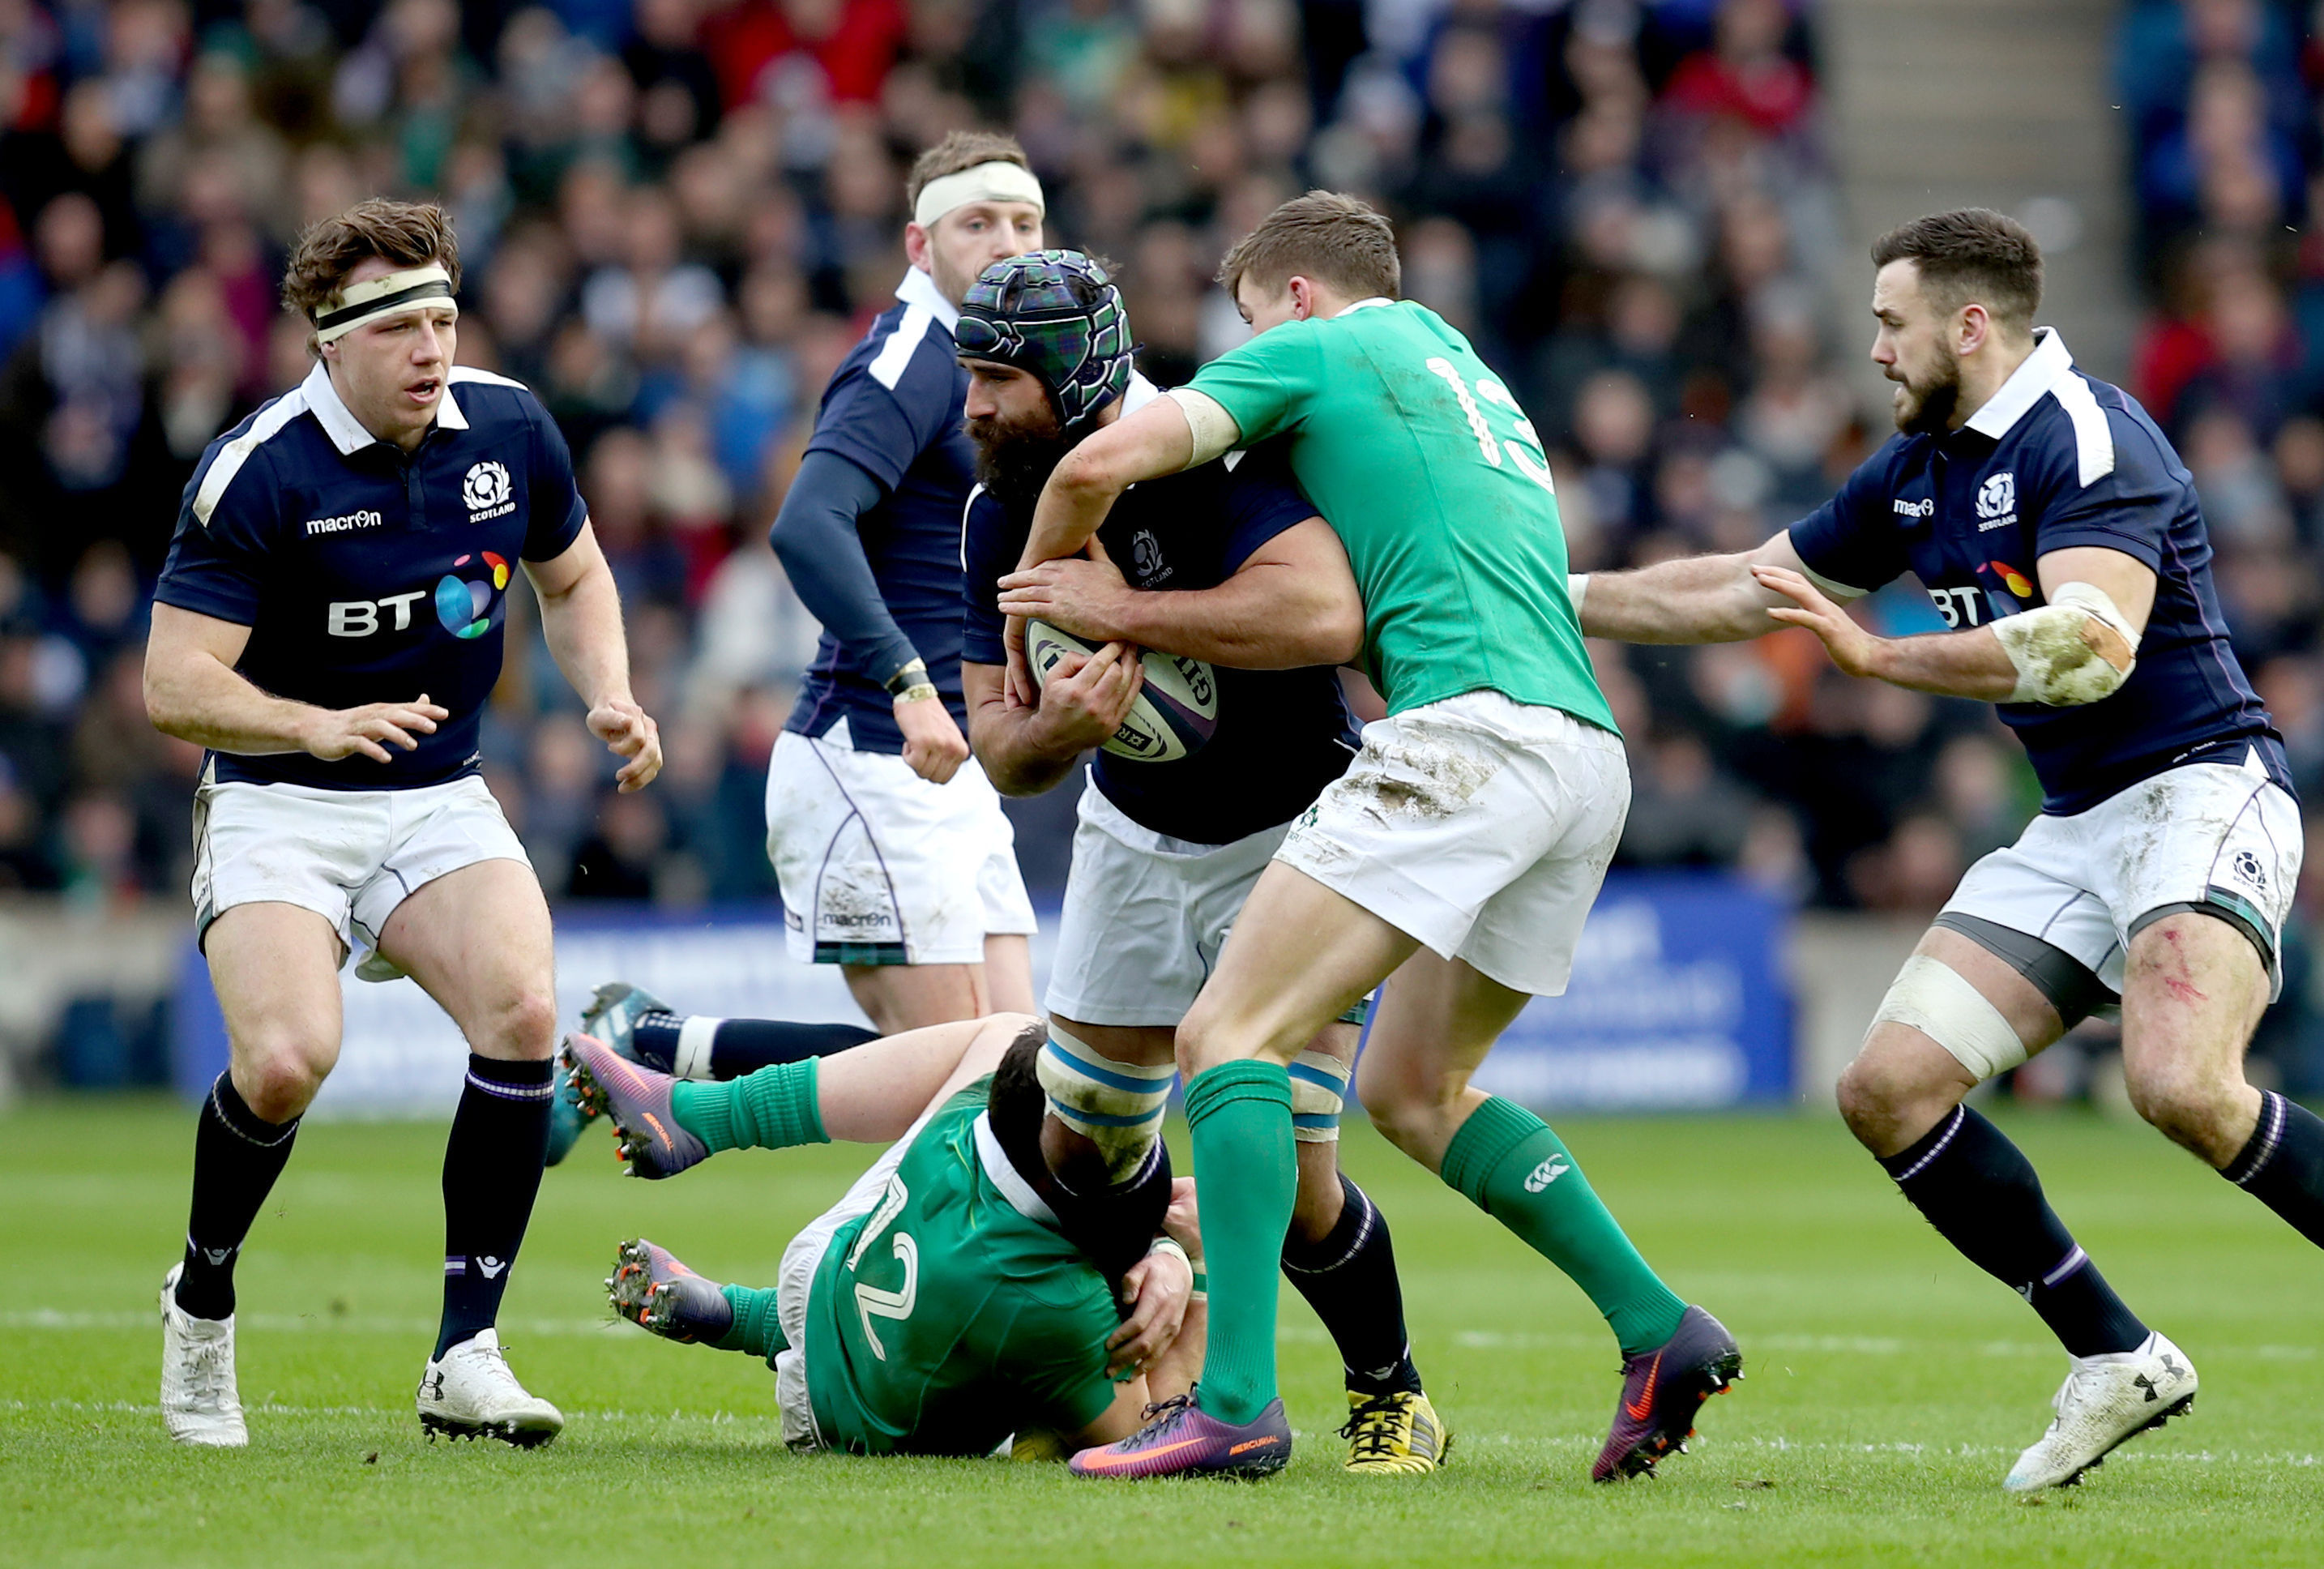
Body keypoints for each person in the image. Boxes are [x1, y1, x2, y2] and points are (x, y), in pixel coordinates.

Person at [1006, 193, 1739, 1481]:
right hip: (1580, 753)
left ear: (1293, 296)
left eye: (1246, 321)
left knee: (1225, 1037)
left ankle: (1234, 1403)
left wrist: (1056, 605)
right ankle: (1658, 1327)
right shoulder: (1479, 387)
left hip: (1466, 741)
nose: (1243, 353)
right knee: (1414, 1092)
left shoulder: (1325, 348)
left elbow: (1087, 466)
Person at [1572, 207, 2307, 1490]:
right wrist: (1547, 599)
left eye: (1890, 324)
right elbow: (1754, 587)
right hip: (2079, 824)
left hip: (2202, 790)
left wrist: (1877, 656)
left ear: (1971, 326)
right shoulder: (1917, 469)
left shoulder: (2084, 433)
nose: (1875, 350)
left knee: (2183, 1086)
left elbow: (2093, 642)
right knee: (1888, 1089)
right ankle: (2114, 1356)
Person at [145, 199, 662, 1447]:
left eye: (443, 316)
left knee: (525, 1009)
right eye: (400, 327)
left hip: (435, 793)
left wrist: (609, 691)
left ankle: (464, 1356)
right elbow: (172, 684)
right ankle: (202, 1297)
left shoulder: (512, 426)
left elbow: (575, 573)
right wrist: (307, 725)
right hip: (281, 801)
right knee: (282, 1065)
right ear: (330, 339)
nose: (432, 347)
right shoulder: (259, 468)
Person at [949, 249, 1442, 1472]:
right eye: (969, 375)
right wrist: (1050, 734)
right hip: (1130, 835)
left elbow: (1325, 617)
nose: (974, 407)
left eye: (1000, 379)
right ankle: (1159, 1342)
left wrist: (1127, 613)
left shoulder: (1216, 457)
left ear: (1077, 378)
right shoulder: (994, 510)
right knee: (1082, 1142)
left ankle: (1391, 1392)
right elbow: (998, 747)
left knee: (1294, 1176)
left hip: (1298, 830)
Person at [567, 1016, 1203, 1457]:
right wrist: (1194, 1268)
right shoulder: (1053, 1304)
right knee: (1075, 1378)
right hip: (843, 1420)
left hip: (826, 1266)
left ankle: (708, 1130)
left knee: (1005, 1028)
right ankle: (751, 1318)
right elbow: (1154, 1439)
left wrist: (1155, 1247)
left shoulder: (981, 1110)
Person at [761, 129, 1045, 1035]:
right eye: (977, 224)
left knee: (1028, 1084)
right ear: (920, 246)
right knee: (966, 1082)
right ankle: (671, 1069)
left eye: (1025, 222)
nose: (1007, 242)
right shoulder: (912, 360)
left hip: (950, 762)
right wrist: (910, 682)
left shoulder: (1000, 357)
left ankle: (656, 1046)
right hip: (875, 748)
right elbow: (807, 523)